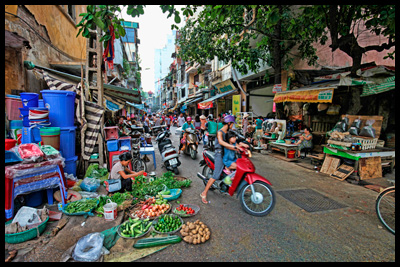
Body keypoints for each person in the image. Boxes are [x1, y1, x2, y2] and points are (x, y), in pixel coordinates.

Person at [200, 115, 248, 204]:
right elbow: (222, 142)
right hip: (219, 154)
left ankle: (233, 184)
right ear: (229, 123)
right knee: (216, 175)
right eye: (232, 124)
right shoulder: (220, 132)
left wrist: (241, 145)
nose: (233, 125)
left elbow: (234, 141)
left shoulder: (229, 132)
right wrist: (234, 147)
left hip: (227, 153)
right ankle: (204, 193)